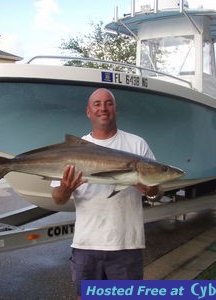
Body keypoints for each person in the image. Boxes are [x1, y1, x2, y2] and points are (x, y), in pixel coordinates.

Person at [51, 88, 162, 299]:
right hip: (86, 245)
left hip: (126, 245)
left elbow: (156, 193)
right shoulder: (72, 150)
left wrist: (152, 189)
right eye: (97, 104)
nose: (103, 108)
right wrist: (65, 189)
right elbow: (58, 198)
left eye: (108, 103)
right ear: (88, 112)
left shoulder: (137, 145)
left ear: (115, 109)